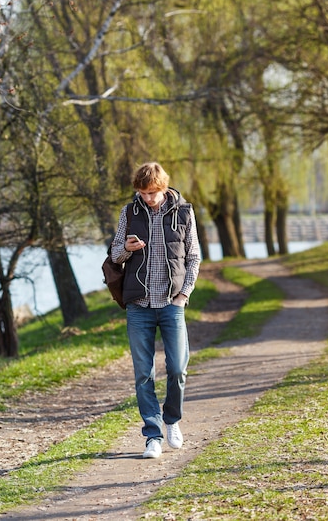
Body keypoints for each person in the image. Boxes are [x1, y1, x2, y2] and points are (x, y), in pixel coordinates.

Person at [111, 162, 201, 459]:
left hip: (172, 303)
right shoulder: (129, 212)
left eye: (151, 192)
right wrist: (128, 248)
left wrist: (184, 294)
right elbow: (114, 254)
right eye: (142, 192)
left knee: (177, 369)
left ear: (163, 188)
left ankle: (172, 420)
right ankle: (153, 436)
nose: (147, 198)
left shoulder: (184, 212)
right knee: (143, 375)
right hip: (139, 306)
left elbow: (194, 257)